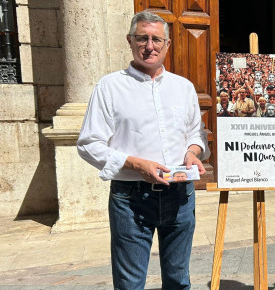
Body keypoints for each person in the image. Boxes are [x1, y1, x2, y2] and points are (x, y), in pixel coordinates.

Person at [76, 11, 210, 290]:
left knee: (179, 280)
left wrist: (193, 152)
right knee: (129, 285)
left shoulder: (183, 88)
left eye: (156, 39)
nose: (150, 46)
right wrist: (136, 164)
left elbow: (195, 134)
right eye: (142, 38)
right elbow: (88, 144)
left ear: (167, 44)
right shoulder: (109, 87)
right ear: (130, 40)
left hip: (180, 196)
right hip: (131, 198)